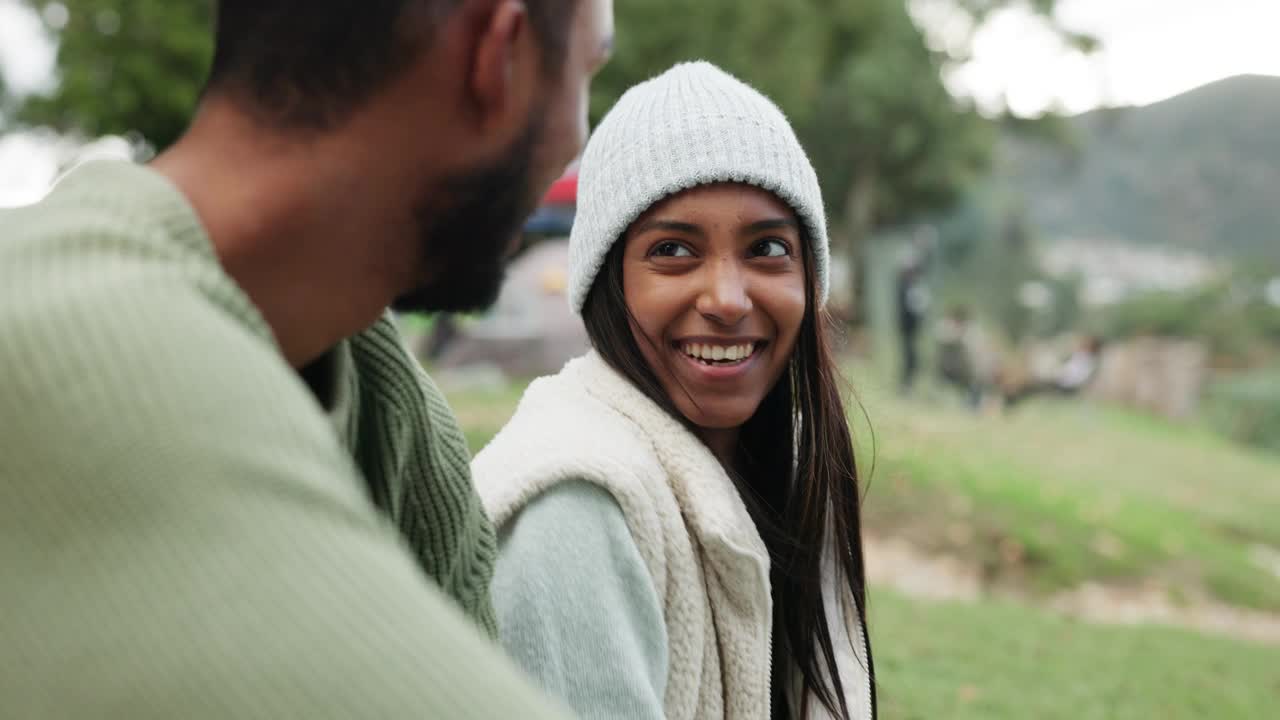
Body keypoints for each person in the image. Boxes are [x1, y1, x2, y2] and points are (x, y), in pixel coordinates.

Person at [0, 0, 613, 716]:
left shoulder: (402, 431)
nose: (578, 137)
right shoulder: (73, 350)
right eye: (587, 71)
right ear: (496, 54)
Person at [472, 62, 876, 720]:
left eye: (768, 247)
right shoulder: (572, 506)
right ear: (609, 281)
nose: (725, 299)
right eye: (673, 251)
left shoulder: (793, 474)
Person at [895, 254, 930, 394]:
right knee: (909, 356)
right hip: (907, 327)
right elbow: (911, 307)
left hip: (913, 328)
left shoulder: (912, 285)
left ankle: (909, 383)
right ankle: (906, 384)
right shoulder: (904, 286)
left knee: (912, 355)